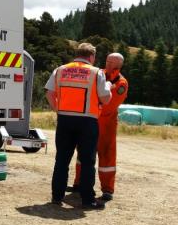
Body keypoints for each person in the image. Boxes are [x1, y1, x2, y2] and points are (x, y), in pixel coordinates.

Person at [45, 43, 112, 209]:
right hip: (87, 121)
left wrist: (58, 109)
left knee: (61, 160)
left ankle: (56, 197)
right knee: (87, 162)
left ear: (77, 54)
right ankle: (87, 199)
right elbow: (105, 98)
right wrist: (109, 88)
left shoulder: (60, 70)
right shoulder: (96, 72)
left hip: (65, 120)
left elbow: (49, 92)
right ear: (92, 57)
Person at [72, 53, 128, 201]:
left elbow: (109, 104)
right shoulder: (98, 74)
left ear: (119, 66)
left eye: (112, 63)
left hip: (106, 126)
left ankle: (107, 190)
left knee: (107, 157)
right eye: (107, 61)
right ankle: (78, 184)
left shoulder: (122, 83)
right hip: (90, 121)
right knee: (83, 154)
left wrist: (94, 100)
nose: (108, 65)